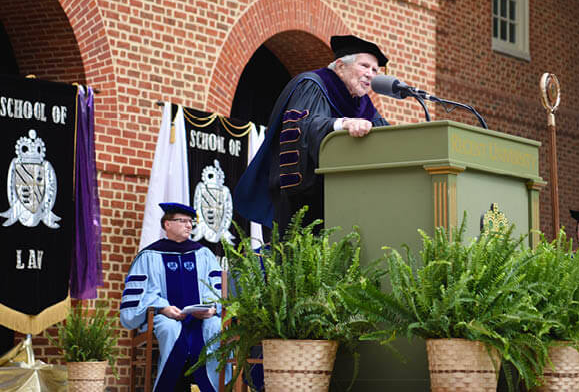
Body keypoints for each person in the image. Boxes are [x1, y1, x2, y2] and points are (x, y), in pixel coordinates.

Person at [233, 34, 389, 236]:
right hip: (302, 202)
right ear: (341, 66)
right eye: (365, 66)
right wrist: (342, 124)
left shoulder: (364, 106)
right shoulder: (312, 85)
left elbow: (386, 136)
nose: (371, 74)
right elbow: (304, 126)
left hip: (347, 199)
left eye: (375, 70)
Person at [120, 202, 226, 392]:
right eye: (183, 221)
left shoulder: (203, 254)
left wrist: (211, 308)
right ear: (167, 224)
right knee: (169, 328)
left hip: (200, 317)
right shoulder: (149, 255)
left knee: (215, 326)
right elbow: (143, 293)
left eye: (190, 222)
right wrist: (163, 308)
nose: (189, 226)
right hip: (166, 316)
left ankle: (215, 387)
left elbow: (216, 288)